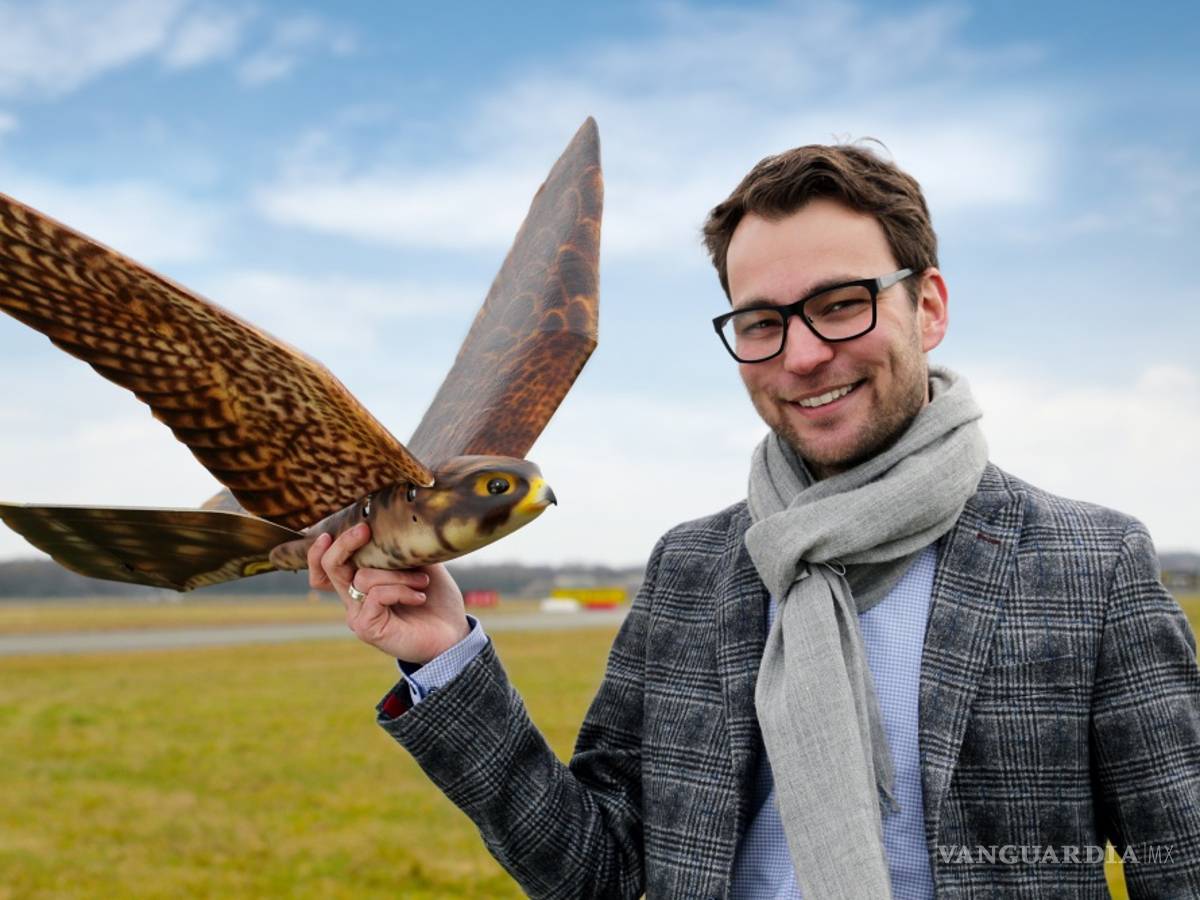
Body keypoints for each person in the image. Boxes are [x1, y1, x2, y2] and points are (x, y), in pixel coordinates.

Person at [307, 144, 1200, 899]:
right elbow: (599, 874)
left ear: (927, 307)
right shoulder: (694, 569)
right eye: (762, 321)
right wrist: (443, 654)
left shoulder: (1092, 563)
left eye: (842, 303)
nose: (804, 355)